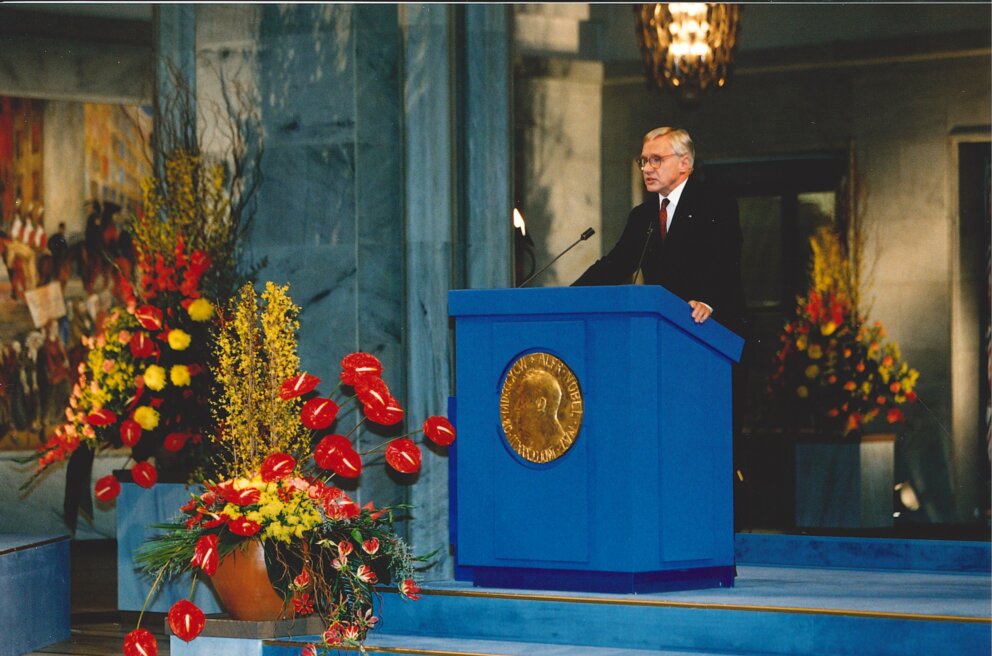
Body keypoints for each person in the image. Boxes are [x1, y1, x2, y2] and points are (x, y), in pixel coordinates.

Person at [573, 127, 744, 334]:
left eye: (656, 159)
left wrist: (707, 302)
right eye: (643, 161)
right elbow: (614, 265)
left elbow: (725, 260)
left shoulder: (715, 204)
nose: (646, 169)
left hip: (709, 329)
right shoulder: (642, 215)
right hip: (662, 330)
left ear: (684, 163)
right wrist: (568, 296)